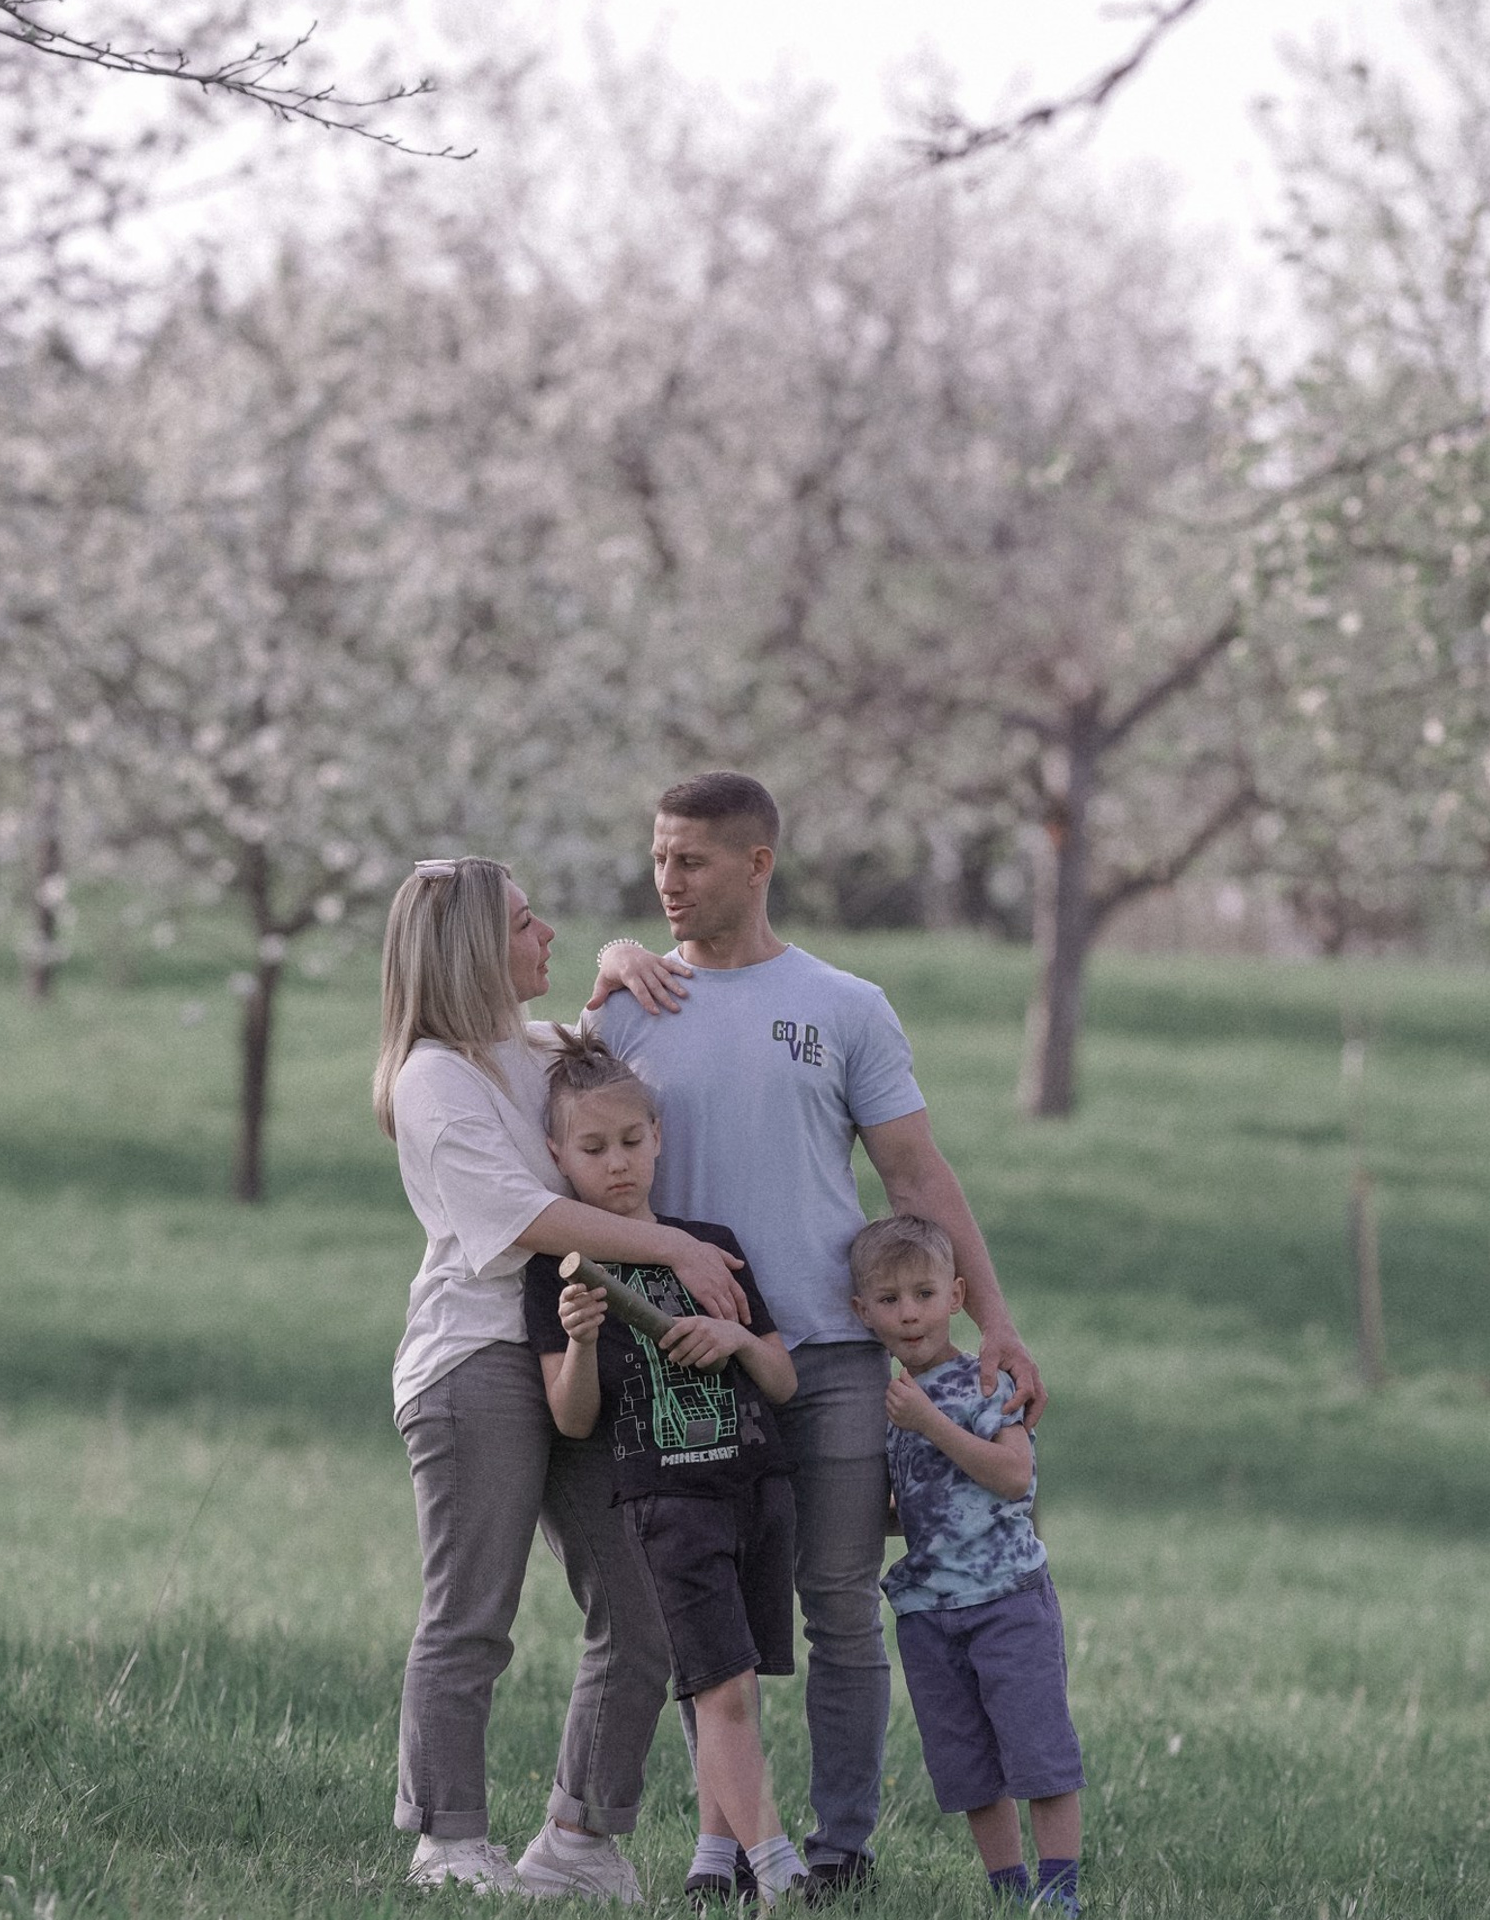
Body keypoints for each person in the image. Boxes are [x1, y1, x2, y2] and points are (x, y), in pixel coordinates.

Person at [587, 770, 1045, 1899]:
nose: (667, 882)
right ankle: (728, 1849)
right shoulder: (632, 1004)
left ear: (758, 864)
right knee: (706, 1610)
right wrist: (603, 966)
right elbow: (566, 1132)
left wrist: (998, 1322)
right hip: (685, 1362)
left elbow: (913, 1172)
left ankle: (842, 1845)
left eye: (690, 860)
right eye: (657, 859)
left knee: (838, 1599)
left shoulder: (845, 1005)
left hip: (834, 1357)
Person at [374, 854, 751, 1899]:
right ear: (470, 952)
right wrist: (672, 1248)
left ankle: (579, 1842)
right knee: (472, 1613)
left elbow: (594, 1046)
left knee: (641, 1604)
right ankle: (447, 1844)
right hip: (475, 1361)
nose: (547, 934)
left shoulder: (533, 1051)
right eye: (525, 922)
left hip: (579, 1347)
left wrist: (619, 962)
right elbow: (523, 1219)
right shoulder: (434, 1079)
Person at [524, 1028, 807, 1909]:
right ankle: (780, 1870)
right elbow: (571, 1420)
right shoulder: (556, 1271)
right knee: (719, 1689)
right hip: (664, 1504)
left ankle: (714, 1864)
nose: (618, 1165)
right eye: (593, 1148)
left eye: (633, 1143)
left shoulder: (708, 1242)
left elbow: (783, 1378)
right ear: (557, 1155)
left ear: (658, 1139)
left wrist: (733, 1337)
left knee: (739, 1685)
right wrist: (577, 1343)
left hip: (755, 1490)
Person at [848, 1215, 1084, 1916]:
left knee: (1038, 1751)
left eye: (923, 1293)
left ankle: (1059, 1893)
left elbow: (1014, 1476)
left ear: (955, 1295)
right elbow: (921, 1505)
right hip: (928, 1613)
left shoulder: (984, 1379)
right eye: (888, 1300)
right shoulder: (888, 1402)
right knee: (968, 1767)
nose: (909, 1312)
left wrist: (929, 1425)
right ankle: (1010, 1896)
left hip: (1008, 1598)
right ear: (862, 1312)